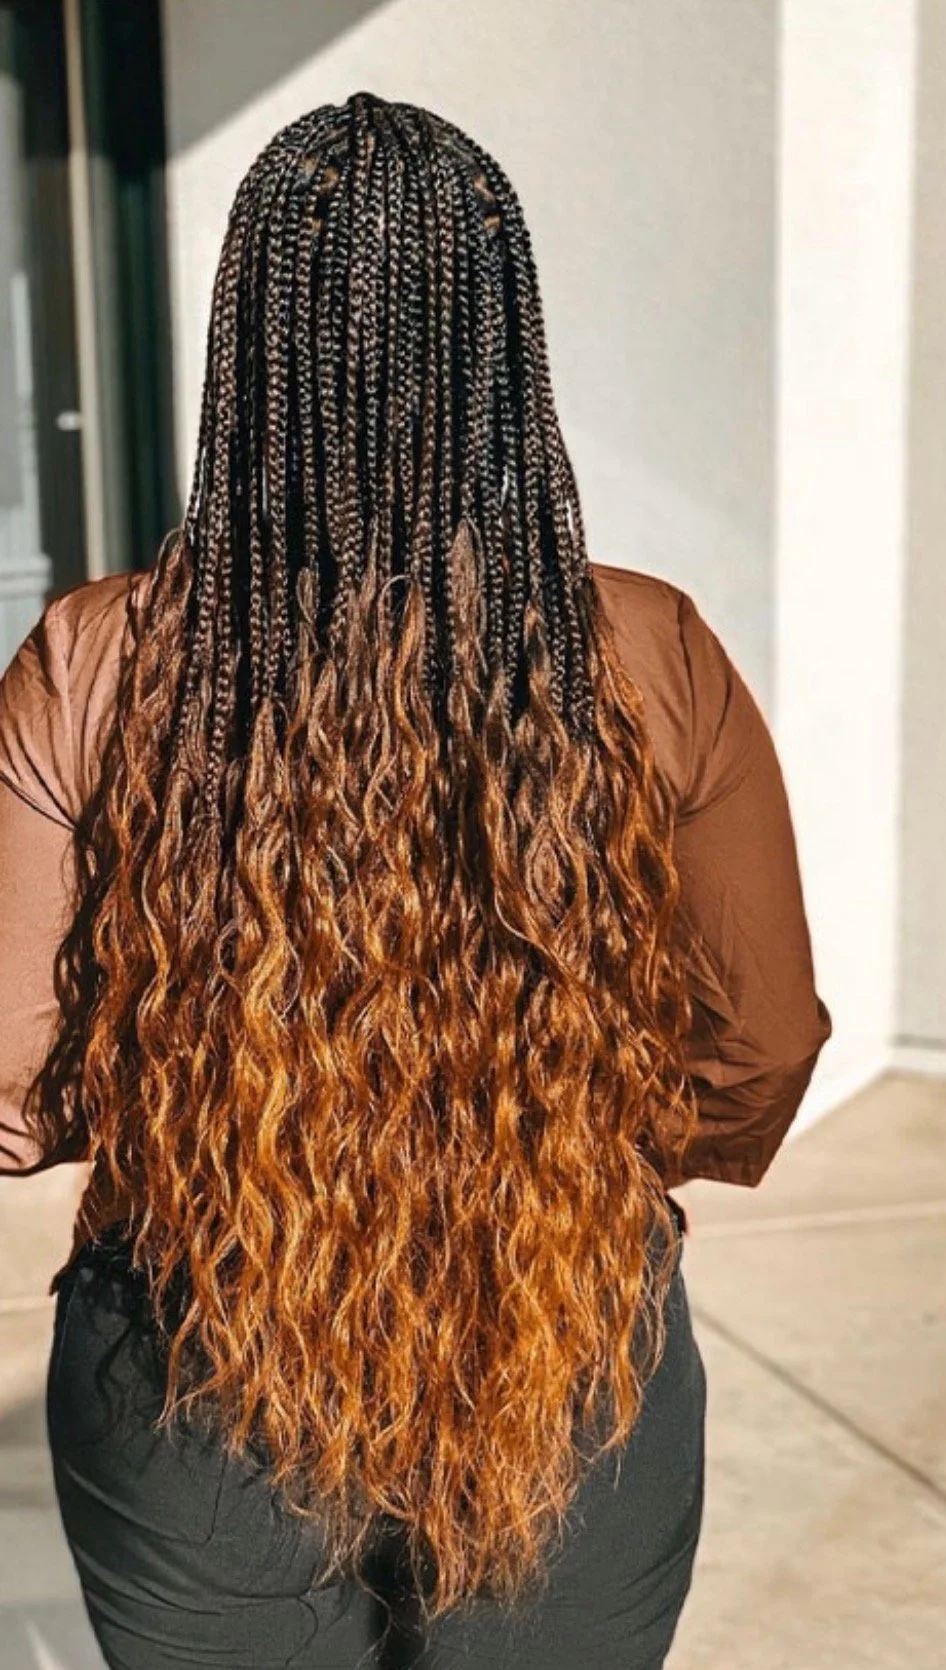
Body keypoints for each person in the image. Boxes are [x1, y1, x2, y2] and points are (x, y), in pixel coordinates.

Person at [0, 92, 831, 1670]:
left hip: (193, 1353)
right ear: (499, 349)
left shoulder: (95, 662)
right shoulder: (646, 649)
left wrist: (180, 1106)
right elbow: (762, 1046)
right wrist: (576, 1147)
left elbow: (6, 1077)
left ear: (250, 355)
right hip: (562, 1342)